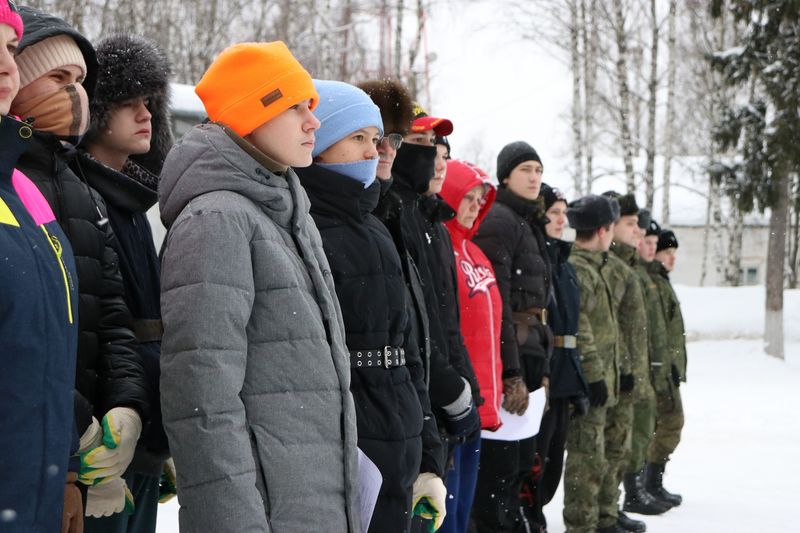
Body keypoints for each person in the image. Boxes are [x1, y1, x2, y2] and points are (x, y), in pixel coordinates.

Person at [158, 42, 360, 533]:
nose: (314, 122)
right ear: (252, 113)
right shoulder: (219, 219)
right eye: (296, 107)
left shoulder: (287, 213)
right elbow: (202, 396)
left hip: (308, 506)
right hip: (265, 515)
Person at [11, 5, 149, 522]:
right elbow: (21, 335)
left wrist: (127, 409)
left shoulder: (78, 184)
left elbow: (111, 312)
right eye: (57, 78)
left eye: (80, 80)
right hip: (39, 450)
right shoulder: (13, 182)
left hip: (80, 459)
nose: (75, 94)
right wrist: (77, 435)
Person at [294, 79, 445, 533]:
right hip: (346, 444)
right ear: (320, 145)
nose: (374, 150)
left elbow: (408, 349)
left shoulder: (376, 226)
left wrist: (428, 452)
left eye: (378, 139)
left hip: (398, 437)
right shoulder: (301, 226)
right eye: (358, 138)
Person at [73, 34, 174, 531]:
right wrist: (90, 458)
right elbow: (93, 329)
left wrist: (162, 432)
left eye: (150, 103)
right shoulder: (78, 196)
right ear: (95, 111)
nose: (146, 115)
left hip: (143, 432)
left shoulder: (134, 203)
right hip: (104, 440)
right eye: (128, 103)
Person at [0, 3, 79, 530]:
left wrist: (68, 467)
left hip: (34, 502)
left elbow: (45, 353)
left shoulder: (26, 191)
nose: (8, 67)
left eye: (9, 49)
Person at [471, 141, 552, 532]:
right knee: (501, 468)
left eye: (538, 170)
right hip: (512, 354)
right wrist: (510, 372)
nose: (535, 177)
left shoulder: (525, 221)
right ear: (505, 176)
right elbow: (496, 302)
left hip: (530, 350)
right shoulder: (501, 221)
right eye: (525, 170)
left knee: (523, 463)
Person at [519, 183, 589, 531]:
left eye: (564, 212)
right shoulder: (536, 256)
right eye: (555, 212)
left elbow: (573, 328)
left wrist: (578, 382)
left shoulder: (564, 263)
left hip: (562, 379)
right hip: (541, 377)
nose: (562, 219)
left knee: (551, 469)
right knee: (532, 472)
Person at [438, 159, 500, 533]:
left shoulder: (475, 253)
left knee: (462, 510)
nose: (477, 205)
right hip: (450, 400)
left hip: (475, 402)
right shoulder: (440, 245)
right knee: (444, 514)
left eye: (481, 199)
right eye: (470, 196)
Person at [600, 192, 664, 533]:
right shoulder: (611, 266)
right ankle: (604, 511)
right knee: (605, 449)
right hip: (614, 374)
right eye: (630, 224)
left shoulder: (630, 268)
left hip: (630, 372)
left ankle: (611, 508)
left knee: (624, 442)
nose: (637, 231)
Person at [562, 194, 620, 533]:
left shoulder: (594, 267)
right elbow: (581, 329)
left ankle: (601, 519)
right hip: (588, 384)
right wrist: (596, 376)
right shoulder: (581, 270)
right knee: (585, 461)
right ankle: (582, 525)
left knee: (598, 459)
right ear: (601, 231)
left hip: (601, 381)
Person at [622, 211, 671, 520]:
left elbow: (657, 327)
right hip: (632, 366)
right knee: (631, 433)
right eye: (643, 238)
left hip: (646, 364)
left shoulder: (649, 276)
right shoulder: (633, 273)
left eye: (652, 241)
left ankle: (642, 486)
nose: (647, 246)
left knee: (644, 429)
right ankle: (634, 491)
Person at [644, 227, 686, 508]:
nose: (672, 259)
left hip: (667, 368)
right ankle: (647, 483)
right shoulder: (650, 282)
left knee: (669, 424)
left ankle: (652, 482)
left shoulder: (661, 281)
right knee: (663, 425)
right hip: (656, 369)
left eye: (673, 253)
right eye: (667, 253)